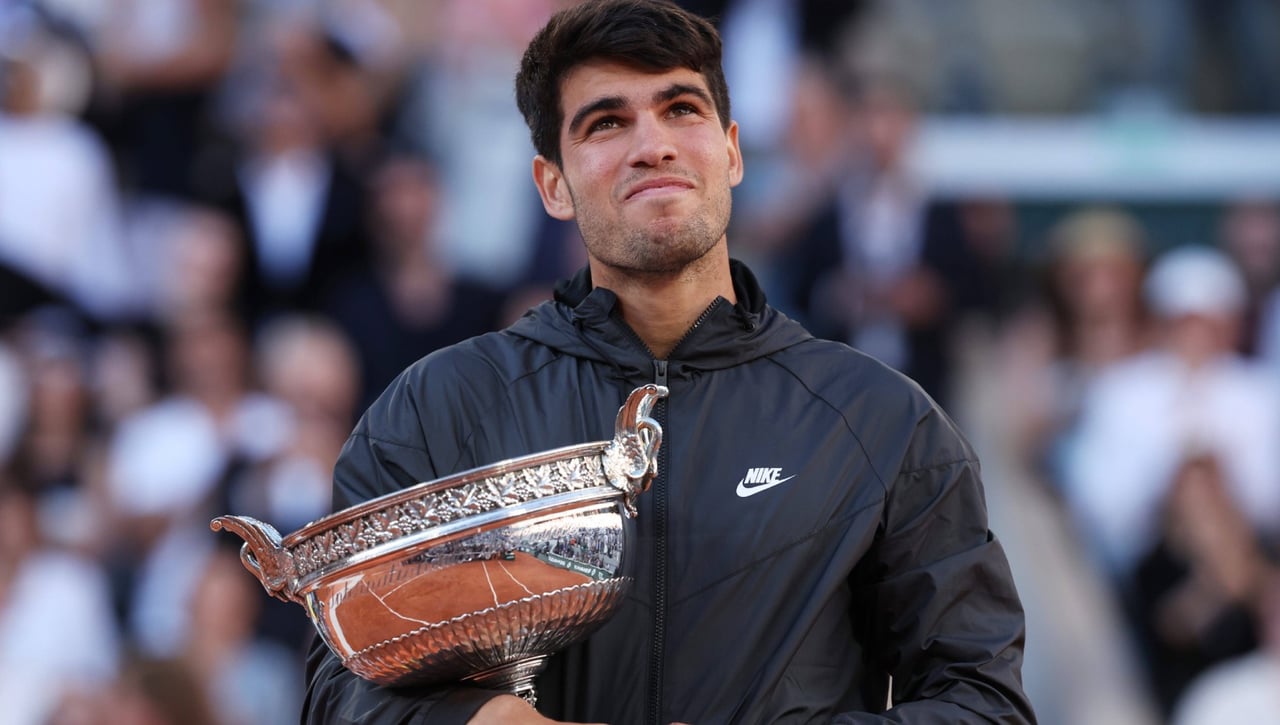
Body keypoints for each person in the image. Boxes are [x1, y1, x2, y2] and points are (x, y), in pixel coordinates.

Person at [300, 1, 1034, 723]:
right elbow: (342, 688)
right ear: (552, 184)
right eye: (606, 122)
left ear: (733, 152)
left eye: (681, 109)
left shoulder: (879, 420)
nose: (653, 146)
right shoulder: (437, 410)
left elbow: (984, 701)